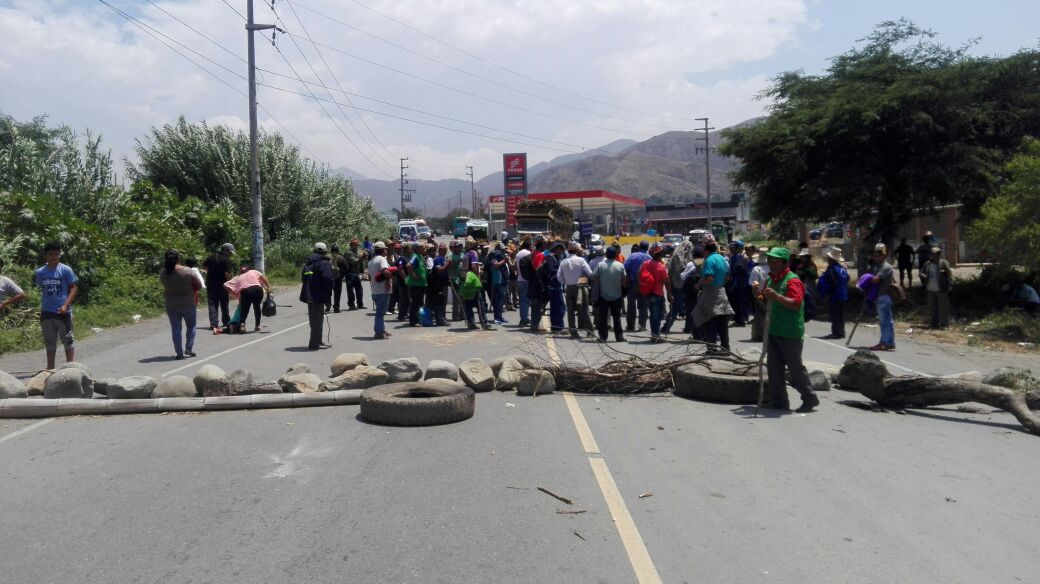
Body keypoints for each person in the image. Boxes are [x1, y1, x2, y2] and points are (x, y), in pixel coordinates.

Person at [755, 247, 820, 413]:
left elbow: (795, 304)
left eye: (776, 262)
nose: (773, 265)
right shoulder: (771, 281)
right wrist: (758, 295)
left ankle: (809, 398)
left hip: (790, 332)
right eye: (770, 262)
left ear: (785, 263)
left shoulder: (793, 280)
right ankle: (780, 401)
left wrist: (777, 296)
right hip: (774, 330)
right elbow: (766, 303)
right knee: (774, 368)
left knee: (795, 368)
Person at [35, 242, 78, 369]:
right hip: (47, 312)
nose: (53, 257)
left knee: (68, 340)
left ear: (59, 255)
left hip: (62, 311)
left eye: (56, 254)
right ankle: (50, 368)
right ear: (45, 255)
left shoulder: (66, 270)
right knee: (50, 342)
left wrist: (66, 305)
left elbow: (74, 289)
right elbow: (41, 288)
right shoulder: (40, 272)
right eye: (50, 254)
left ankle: (70, 367)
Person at [692, 238, 734, 353]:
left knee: (709, 321)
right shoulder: (721, 258)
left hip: (711, 294)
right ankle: (725, 348)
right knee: (722, 322)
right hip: (721, 291)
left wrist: (699, 283)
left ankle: (712, 348)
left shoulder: (709, 260)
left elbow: (709, 278)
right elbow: (727, 276)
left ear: (706, 250)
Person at [159, 249, 198, 359]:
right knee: (191, 326)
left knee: (176, 328)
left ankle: (179, 353)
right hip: (188, 302)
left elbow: (163, 282)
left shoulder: (163, 272)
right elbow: (198, 285)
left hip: (171, 303)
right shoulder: (188, 271)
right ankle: (189, 348)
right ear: (178, 259)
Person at [300, 242, 334, 350]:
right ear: (324, 252)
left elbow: (303, 278)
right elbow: (327, 279)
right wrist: (328, 295)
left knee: (315, 319)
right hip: (318, 295)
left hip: (309, 294)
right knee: (317, 320)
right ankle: (314, 343)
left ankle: (318, 340)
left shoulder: (308, 263)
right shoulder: (323, 263)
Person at [557, 241, 593, 338]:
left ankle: (573, 332)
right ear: (577, 250)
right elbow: (590, 273)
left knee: (571, 311)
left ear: (568, 250)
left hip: (569, 288)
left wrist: (566, 281)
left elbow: (559, 276)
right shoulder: (581, 260)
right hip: (580, 287)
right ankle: (590, 331)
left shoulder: (563, 262)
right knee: (584, 309)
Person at [592, 245, 627, 342]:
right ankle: (619, 337)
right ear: (616, 255)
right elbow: (625, 281)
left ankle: (603, 337)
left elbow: (592, 277)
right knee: (617, 318)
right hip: (617, 296)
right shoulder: (620, 265)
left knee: (603, 318)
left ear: (606, 255)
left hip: (603, 296)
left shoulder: (601, 265)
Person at [869, 243, 896, 351]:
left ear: (884, 256)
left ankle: (884, 342)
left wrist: (866, 279)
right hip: (880, 297)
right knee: (888, 321)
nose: (876, 257)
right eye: (875, 255)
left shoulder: (886, 267)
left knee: (885, 322)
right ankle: (890, 342)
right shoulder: (876, 266)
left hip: (883, 297)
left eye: (879, 255)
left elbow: (875, 279)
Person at [817, 248, 850, 339]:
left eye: (828, 258)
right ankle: (842, 331)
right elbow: (847, 279)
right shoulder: (842, 269)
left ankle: (836, 332)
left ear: (831, 259)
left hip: (835, 295)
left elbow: (831, 283)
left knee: (835, 314)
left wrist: (824, 291)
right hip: (843, 295)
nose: (827, 259)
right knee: (840, 314)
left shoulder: (831, 270)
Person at [662, 238, 693, 335]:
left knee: (684, 309)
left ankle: (686, 327)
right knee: (678, 309)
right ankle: (667, 327)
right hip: (681, 287)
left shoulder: (676, 256)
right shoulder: (679, 258)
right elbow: (682, 271)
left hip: (678, 286)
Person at [642, 244, 672, 343]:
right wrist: (669, 295)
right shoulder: (661, 267)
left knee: (652, 315)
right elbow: (667, 282)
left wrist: (641, 285)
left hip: (647, 294)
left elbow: (639, 273)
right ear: (660, 255)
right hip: (657, 294)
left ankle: (654, 335)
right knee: (657, 316)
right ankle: (656, 336)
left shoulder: (645, 264)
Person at [202, 243, 235, 333]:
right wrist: (231, 285)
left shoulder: (211, 257)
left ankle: (213, 324)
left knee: (212, 305)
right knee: (224, 304)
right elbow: (227, 274)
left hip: (211, 284)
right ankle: (226, 321)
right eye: (229, 252)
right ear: (225, 250)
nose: (230, 254)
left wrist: (212, 271)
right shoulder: (226, 260)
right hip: (223, 285)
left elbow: (204, 266)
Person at [226, 265, 270, 332]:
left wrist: (235, 294)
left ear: (241, 271)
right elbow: (263, 278)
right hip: (257, 290)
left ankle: (242, 325)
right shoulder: (254, 271)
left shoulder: (238, 277)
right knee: (257, 307)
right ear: (249, 269)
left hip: (246, 292)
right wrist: (268, 287)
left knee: (245, 310)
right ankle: (257, 326)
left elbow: (226, 285)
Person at [920, 246, 952, 329]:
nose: (937, 256)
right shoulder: (928, 264)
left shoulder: (944, 263)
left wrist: (949, 285)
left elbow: (949, 274)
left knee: (943, 308)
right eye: (935, 254)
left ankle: (944, 324)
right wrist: (924, 276)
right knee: (932, 307)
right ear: (931, 255)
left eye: (938, 254)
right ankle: (934, 323)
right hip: (930, 289)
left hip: (941, 289)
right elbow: (921, 273)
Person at [623, 241, 651, 331]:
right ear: (647, 248)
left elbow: (625, 268)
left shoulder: (633, 256)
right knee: (643, 306)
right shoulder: (650, 257)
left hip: (633, 284)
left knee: (631, 306)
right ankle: (642, 326)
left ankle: (631, 326)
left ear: (639, 247)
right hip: (645, 285)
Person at [367, 241, 393, 339]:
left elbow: (370, 276)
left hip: (375, 290)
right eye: (385, 249)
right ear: (382, 250)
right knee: (380, 312)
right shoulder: (382, 259)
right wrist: (392, 274)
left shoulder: (371, 261)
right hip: (382, 290)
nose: (386, 250)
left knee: (380, 311)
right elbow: (385, 271)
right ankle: (378, 332)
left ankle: (381, 329)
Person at [541, 241, 567, 332]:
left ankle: (556, 326)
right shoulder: (552, 259)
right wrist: (561, 271)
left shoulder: (558, 259)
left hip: (557, 286)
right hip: (553, 286)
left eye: (561, 249)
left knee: (557, 307)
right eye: (558, 249)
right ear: (555, 250)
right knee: (560, 307)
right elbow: (550, 270)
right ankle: (558, 326)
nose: (560, 251)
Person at [726, 240, 751, 327]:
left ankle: (741, 320)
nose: (731, 249)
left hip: (740, 283)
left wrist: (731, 275)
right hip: (735, 283)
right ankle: (738, 319)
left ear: (737, 249)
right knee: (735, 302)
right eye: (730, 247)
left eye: (733, 248)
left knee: (740, 302)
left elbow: (737, 268)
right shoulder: (733, 257)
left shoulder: (740, 257)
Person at [405, 242, 428, 327]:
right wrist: (414, 276)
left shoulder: (420, 256)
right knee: (415, 303)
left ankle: (417, 319)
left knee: (419, 303)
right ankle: (413, 321)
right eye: (421, 247)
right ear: (417, 248)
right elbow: (409, 266)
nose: (423, 248)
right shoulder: (415, 256)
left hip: (420, 284)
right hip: (415, 284)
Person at [748, 250, 769, 343]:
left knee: (760, 315)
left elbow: (753, 283)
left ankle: (760, 335)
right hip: (771, 294)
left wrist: (756, 295)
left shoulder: (757, 269)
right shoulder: (772, 268)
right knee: (769, 314)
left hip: (760, 294)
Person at [488, 241, 509, 324]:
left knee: (501, 299)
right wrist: (505, 261)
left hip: (501, 279)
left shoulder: (499, 254)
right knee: (498, 299)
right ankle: (497, 318)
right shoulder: (495, 254)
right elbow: (495, 265)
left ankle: (499, 317)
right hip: (497, 279)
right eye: (502, 249)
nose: (503, 251)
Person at [428, 243, 449, 326]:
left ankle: (442, 318)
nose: (444, 251)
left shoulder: (444, 258)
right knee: (439, 303)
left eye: (445, 249)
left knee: (443, 302)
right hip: (438, 285)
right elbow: (439, 270)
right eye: (442, 249)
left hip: (443, 284)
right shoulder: (437, 259)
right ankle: (440, 319)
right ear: (439, 250)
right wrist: (448, 264)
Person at [343, 239, 366, 311]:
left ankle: (360, 304)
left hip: (356, 274)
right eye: (354, 245)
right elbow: (354, 262)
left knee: (359, 290)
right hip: (350, 274)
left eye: (356, 245)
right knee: (350, 291)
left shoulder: (357, 251)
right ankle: (351, 305)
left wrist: (364, 255)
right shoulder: (348, 253)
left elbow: (363, 258)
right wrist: (361, 258)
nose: (356, 246)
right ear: (351, 245)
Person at [515, 239, 533, 327]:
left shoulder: (518, 254)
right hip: (526, 280)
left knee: (522, 301)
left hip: (519, 279)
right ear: (529, 246)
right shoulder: (528, 254)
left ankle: (523, 318)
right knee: (526, 301)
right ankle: (524, 319)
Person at [329, 244, 346, 312]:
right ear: (338, 250)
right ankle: (336, 307)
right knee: (337, 293)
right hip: (337, 278)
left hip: (329, 278)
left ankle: (327, 305)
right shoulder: (341, 257)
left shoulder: (327, 257)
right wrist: (342, 276)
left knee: (328, 292)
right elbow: (346, 267)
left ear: (331, 250)